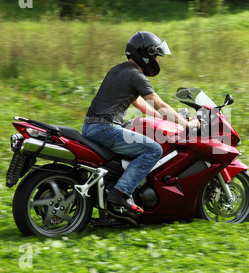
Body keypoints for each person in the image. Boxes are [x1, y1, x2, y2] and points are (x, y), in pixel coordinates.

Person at [82, 31, 199, 213]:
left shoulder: (118, 70)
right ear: (147, 55)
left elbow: (142, 104)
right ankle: (121, 192)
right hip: (105, 128)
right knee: (153, 150)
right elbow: (159, 104)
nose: (157, 61)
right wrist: (188, 125)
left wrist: (169, 120)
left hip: (90, 126)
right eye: (156, 57)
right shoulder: (136, 75)